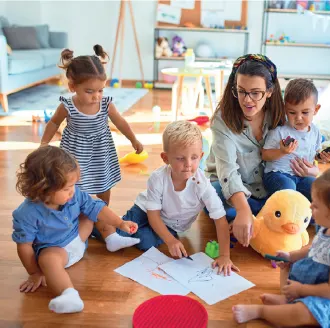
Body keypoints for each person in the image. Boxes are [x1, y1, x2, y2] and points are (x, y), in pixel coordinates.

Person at [233, 168, 330, 327]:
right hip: (320, 281)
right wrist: (290, 256)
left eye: (317, 205)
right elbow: (316, 248)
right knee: (289, 265)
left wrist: (302, 289)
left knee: (303, 313)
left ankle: (261, 311)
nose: (311, 207)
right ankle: (288, 300)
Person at [40, 45, 143, 252]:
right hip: (74, 153)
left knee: (104, 187)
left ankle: (104, 222)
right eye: (89, 91)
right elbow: (52, 123)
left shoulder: (106, 104)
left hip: (100, 152)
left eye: (100, 90)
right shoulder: (67, 106)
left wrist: (134, 140)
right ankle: (77, 226)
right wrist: (44, 143)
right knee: (75, 189)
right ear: (72, 87)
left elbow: (121, 122)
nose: (96, 96)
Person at [12, 146, 139, 313]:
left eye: (73, 185)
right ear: (43, 189)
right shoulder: (26, 213)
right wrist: (35, 273)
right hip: (58, 252)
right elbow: (24, 246)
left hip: (79, 236)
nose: (73, 191)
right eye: (66, 188)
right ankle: (68, 294)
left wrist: (120, 223)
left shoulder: (74, 194)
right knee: (48, 260)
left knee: (95, 206)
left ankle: (112, 238)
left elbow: (96, 209)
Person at [118, 121, 238, 275]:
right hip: (143, 210)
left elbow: (220, 220)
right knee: (120, 233)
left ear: (201, 156)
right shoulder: (158, 178)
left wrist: (224, 256)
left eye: (194, 157)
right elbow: (152, 215)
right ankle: (100, 221)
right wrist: (170, 240)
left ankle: (134, 230)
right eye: (180, 158)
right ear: (165, 158)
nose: (188, 164)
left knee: (146, 243)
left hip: (171, 226)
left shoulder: (203, 185)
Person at [205, 54, 286, 247]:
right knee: (211, 198)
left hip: (265, 184)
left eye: (256, 93)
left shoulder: (278, 116)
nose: (247, 100)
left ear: (269, 91)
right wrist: (242, 210)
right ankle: (256, 216)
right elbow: (227, 172)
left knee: (295, 191)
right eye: (241, 91)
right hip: (228, 186)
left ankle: (254, 216)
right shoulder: (222, 120)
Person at [262, 78, 330, 201]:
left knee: (318, 189)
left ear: (316, 110)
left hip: (301, 176)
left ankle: (312, 218)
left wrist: (320, 157)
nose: (299, 118)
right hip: (277, 174)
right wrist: (282, 152)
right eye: (292, 112)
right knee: (288, 187)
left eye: (305, 112)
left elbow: (313, 154)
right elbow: (264, 155)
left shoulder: (315, 132)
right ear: (285, 109)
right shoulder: (280, 130)